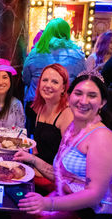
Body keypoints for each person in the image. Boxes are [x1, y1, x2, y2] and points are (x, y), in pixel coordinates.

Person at [11, 71, 112, 219]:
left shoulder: (102, 137)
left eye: (92, 95)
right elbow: (62, 175)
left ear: (103, 102)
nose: (83, 100)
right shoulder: (74, 128)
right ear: (70, 95)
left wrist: (47, 203)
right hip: (67, 203)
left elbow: (94, 196)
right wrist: (32, 159)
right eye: (78, 93)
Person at [23, 18, 86, 136]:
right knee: (63, 141)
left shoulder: (35, 52)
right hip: (64, 106)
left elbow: (25, 79)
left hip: (35, 103)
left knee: (33, 141)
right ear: (66, 33)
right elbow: (82, 82)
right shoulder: (78, 55)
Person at [31, 63, 73, 194]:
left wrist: (34, 163)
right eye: (45, 80)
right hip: (36, 173)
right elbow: (38, 147)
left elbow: (67, 165)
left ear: (63, 88)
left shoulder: (67, 114)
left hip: (55, 183)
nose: (48, 85)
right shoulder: (41, 106)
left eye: (54, 82)